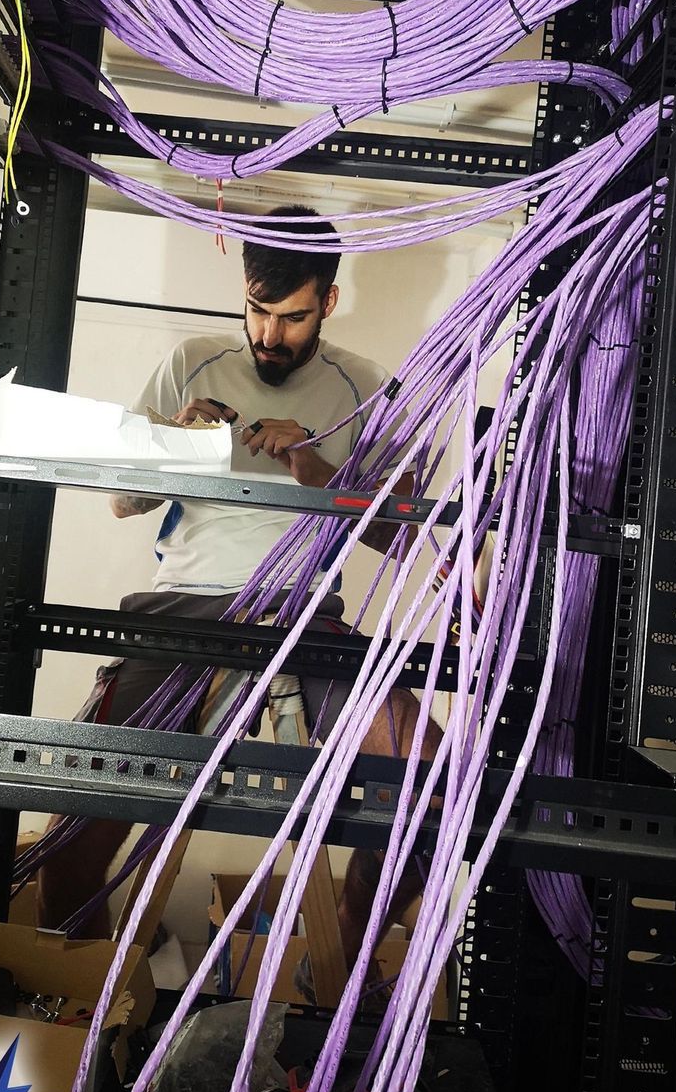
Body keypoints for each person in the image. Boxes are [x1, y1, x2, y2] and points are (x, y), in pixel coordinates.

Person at [39, 205, 436, 987]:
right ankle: (80, 1001)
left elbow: (402, 535)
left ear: (328, 299)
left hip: (302, 612)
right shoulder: (192, 359)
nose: (268, 335)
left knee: (429, 778)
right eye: (257, 310)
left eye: (290, 317)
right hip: (181, 609)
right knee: (76, 827)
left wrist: (319, 469)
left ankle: (350, 963)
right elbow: (121, 503)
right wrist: (180, 447)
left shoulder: (366, 387)